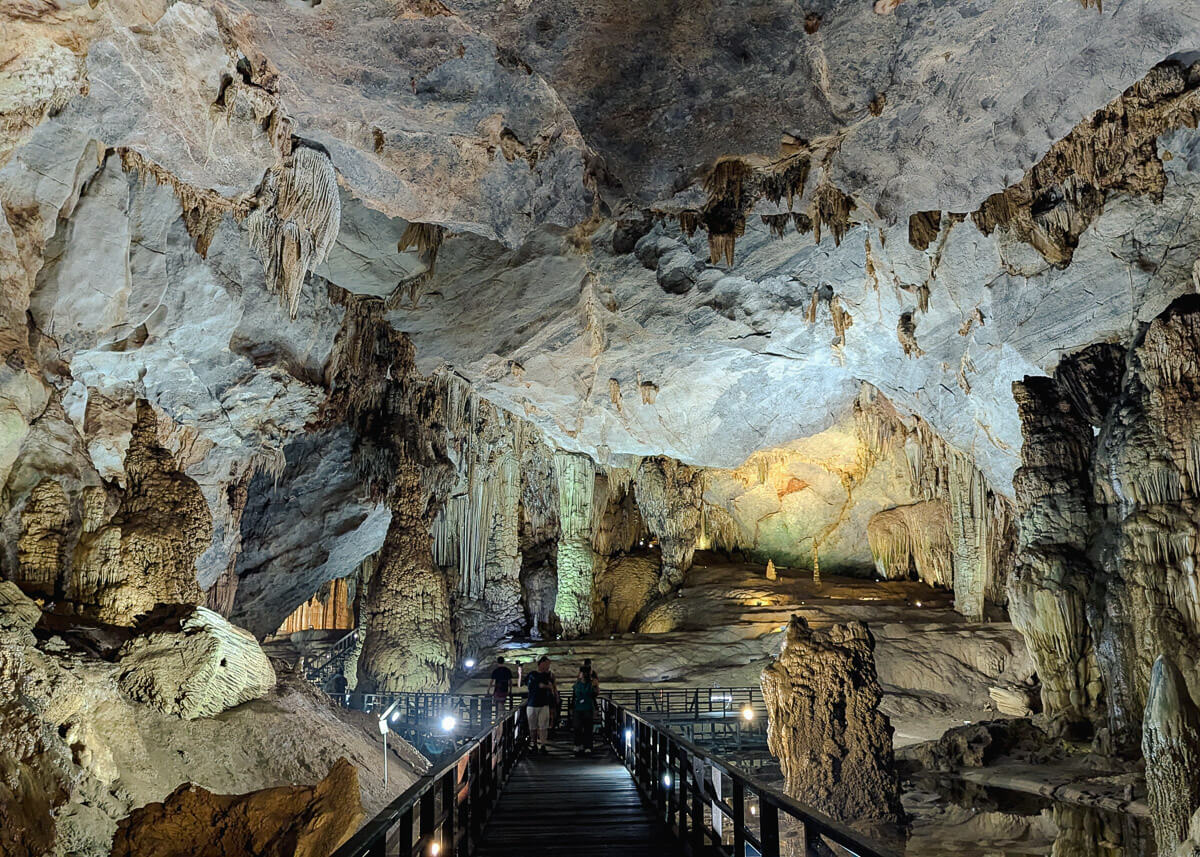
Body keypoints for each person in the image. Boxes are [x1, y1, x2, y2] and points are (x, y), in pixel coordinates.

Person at [525, 656, 557, 754]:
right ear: (541, 663)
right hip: (532, 703)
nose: (548, 666)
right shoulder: (532, 674)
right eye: (547, 664)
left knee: (543, 726)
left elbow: (553, 687)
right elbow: (530, 685)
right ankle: (534, 744)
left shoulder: (549, 675)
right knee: (533, 726)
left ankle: (543, 745)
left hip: (544, 703)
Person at [572, 666, 598, 756]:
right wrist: (571, 708)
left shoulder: (590, 684)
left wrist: (595, 686)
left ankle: (588, 746)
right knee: (577, 727)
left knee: (587, 728)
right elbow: (574, 696)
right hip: (578, 708)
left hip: (587, 708)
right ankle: (578, 744)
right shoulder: (577, 684)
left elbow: (594, 695)